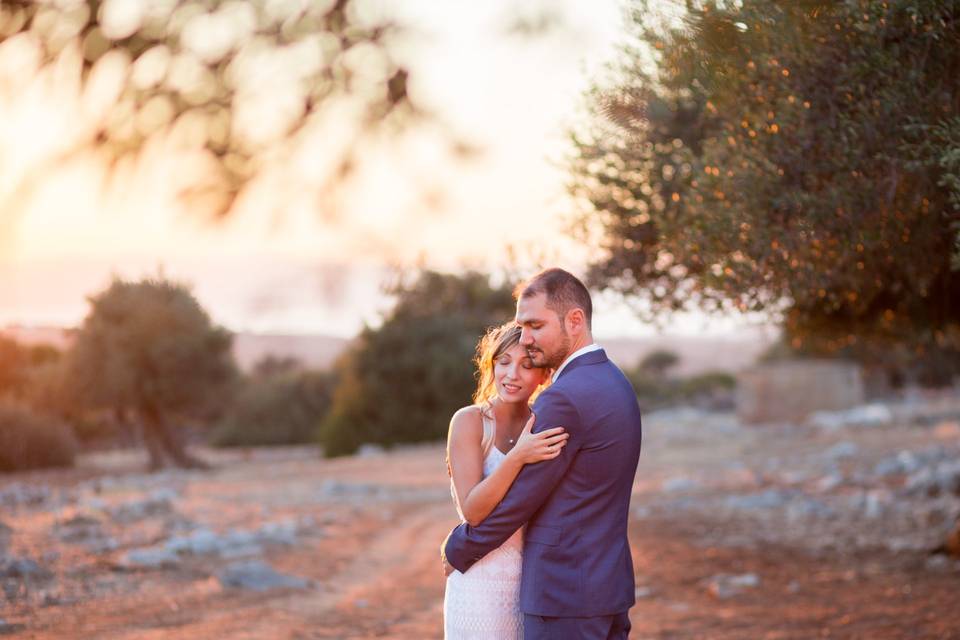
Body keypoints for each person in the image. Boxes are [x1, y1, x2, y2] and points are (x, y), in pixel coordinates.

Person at [442, 268, 643, 640]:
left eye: (535, 325)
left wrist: (459, 546)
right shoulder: (616, 382)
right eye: (523, 325)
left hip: (565, 591)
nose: (527, 338)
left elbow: (523, 497)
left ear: (575, 320)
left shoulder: (564, 397)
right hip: (605, 585)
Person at [443, 321, 570, 638]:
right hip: (478, 581)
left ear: (544, 375)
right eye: (503, 362)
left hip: (531, 581)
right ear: (491, 365)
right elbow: (472, 512)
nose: (512, 375)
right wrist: (517, 457)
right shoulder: (470, 421)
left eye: (527, 366)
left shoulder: (544, 425)